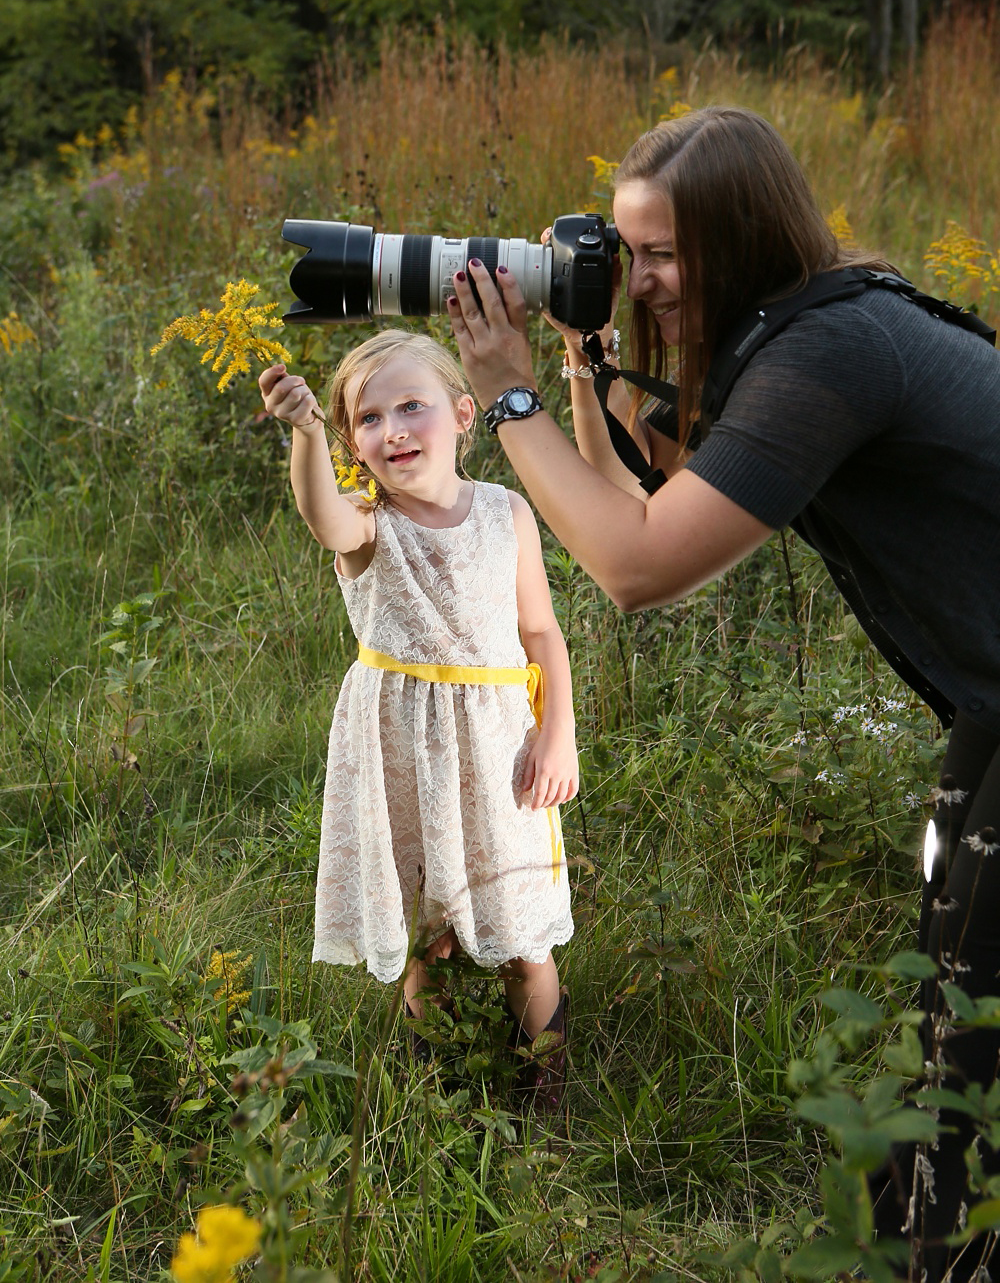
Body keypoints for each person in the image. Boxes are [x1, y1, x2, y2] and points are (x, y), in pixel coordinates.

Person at [443, 106, 1000, 1280]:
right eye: (625, 251)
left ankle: (931, 1255)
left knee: (976, 1039)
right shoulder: (802, 323)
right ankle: (917, 1248)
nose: (638, 283)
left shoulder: (830, 353)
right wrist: (587, 373)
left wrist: (508, 398)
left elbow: (638, 571)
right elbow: (648, 500)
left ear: (744, 236)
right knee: (956, 1004)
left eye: (660, 256)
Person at [257, 330, 577, 1104]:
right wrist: (305, 436)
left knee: (522, 931)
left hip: (499, 745)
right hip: (402, 748)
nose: (393, 428)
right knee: (428, 933)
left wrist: (557, 731)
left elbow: (540, 632)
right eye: (367, 418)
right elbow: (321, 517)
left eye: (412, 406)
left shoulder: (507, 514)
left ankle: (548, 1088)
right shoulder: (369, 526)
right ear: (353, 445)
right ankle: (436, 1080)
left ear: (464, 414)